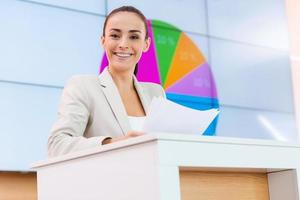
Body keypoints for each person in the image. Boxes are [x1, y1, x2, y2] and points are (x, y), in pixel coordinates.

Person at [48, 6, 165, 157]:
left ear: (146, 44)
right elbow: (57, 144)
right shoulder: (83, 86)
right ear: (103, 41)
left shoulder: (156, 92)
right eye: (115, 35)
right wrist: (113, 143)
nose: (123, 44)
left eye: (134, 37)